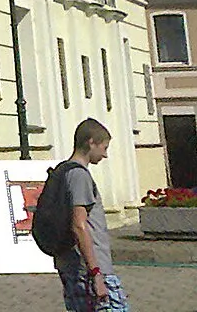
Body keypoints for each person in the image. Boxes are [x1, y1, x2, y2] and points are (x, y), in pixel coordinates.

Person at [51, 118, 126, 312]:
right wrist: (96, 273)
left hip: (72, 267)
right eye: (104, 147)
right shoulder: (79, 176)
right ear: (91, 142)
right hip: (89, 270)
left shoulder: (62, 171)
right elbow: (79, 225)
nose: (105, 155)